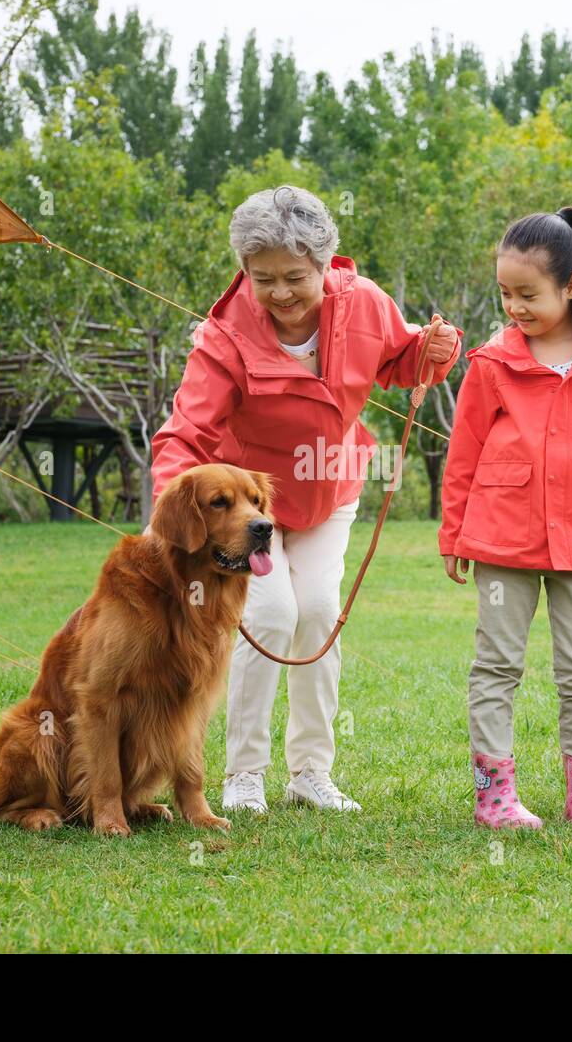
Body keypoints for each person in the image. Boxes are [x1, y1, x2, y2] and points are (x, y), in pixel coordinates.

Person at [151, 185, 461, 814]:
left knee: (317, 611)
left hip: (329, 489)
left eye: (296, 277)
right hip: (247, 507)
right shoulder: (222, 337)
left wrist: (435, 351)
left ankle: (311, 773)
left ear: (327, 266)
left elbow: (400, 361)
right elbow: (186, 433)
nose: (282, 293)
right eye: (263, 279)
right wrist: (171, 516)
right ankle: (243, 775)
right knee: (268, 618)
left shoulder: (365, 303)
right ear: (245, 272)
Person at [440, 206, 572, 828]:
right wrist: (454, 532)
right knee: (497, 665)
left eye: (527, 294)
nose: (514, 307)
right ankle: (493, 797)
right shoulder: (492, 362)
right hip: (503, 537)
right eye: (505, 293)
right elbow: (464, 449)